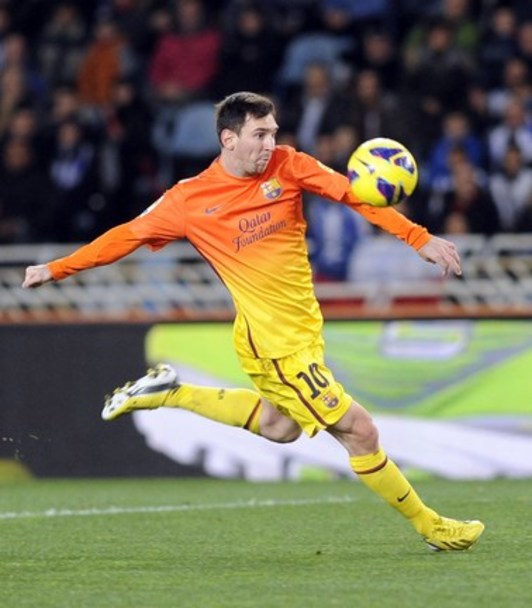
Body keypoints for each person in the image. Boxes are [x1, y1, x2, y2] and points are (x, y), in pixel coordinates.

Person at [22, 91, 484, 552]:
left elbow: (351, 194)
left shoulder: (289, 165)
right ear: (229, 138)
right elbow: (125, 236)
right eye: (259, 134)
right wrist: (56, 268)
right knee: (360, 431)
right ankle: (432, 527)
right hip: (275, 343)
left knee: (280, 427)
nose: (269, 143)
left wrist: (417, 237)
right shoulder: (189, 200)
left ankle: (169, 392)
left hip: (299, 331)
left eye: (273, 132)